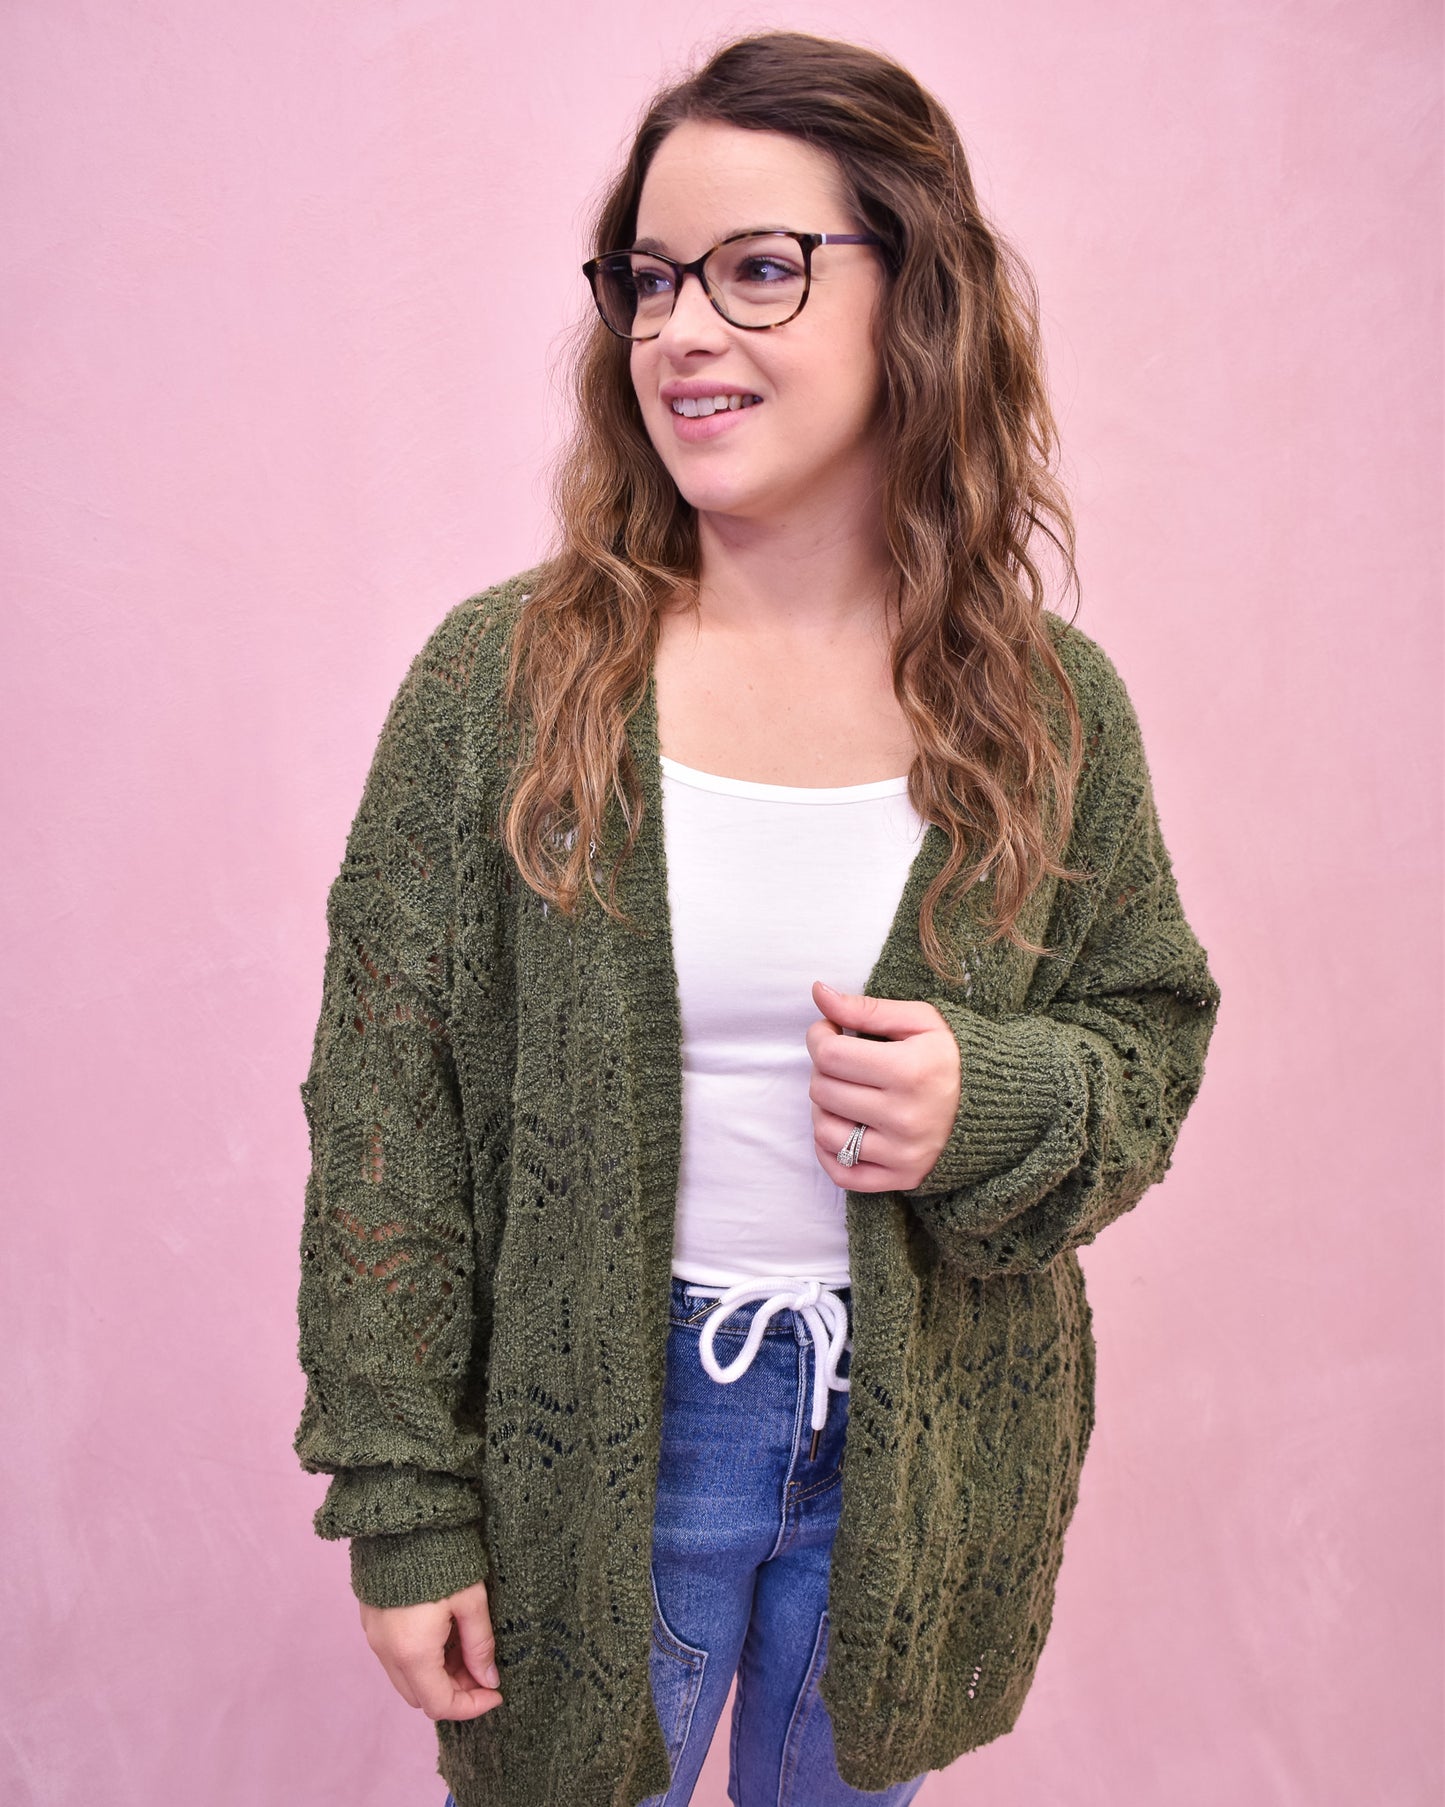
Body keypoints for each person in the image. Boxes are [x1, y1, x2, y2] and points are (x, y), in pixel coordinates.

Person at [291, 30, 1222, 1807]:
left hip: (923, 1445)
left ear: (915, 296)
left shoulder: (1045, 709)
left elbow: (1146, 1036)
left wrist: (987, 1099)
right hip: (603, 1434)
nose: (679, 331)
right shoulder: (503, 686)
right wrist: (404, 1504)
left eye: (759, 269)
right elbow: (385, 1113)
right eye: (649, 280)